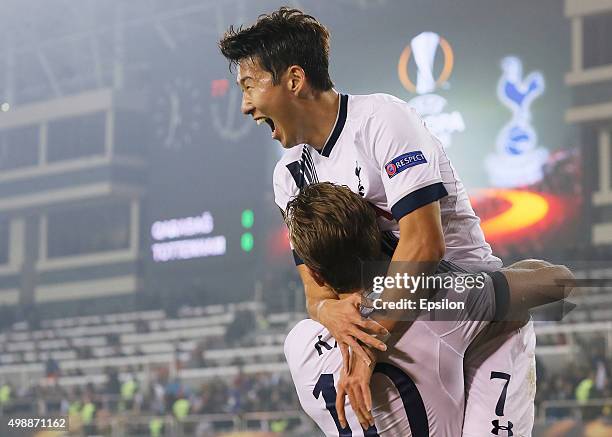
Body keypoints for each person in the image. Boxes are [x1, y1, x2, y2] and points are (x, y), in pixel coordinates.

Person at [219, 7, 534, 434]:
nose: (244, 106)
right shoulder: (288, 177)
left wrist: (368, 344)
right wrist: (329, 310)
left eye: (250, 86)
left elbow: (424, 245)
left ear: (293, 80)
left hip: (474, 318)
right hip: (400, 325)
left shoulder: (382, 121)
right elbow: (316, 291)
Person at [283, 183, 574, 436]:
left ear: (316, 275)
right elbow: (558, 282)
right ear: (381, 240)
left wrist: (322, 307)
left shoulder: (298, 346)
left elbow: (316, 304)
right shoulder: (434, 307)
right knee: (513, 321)